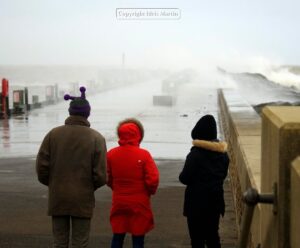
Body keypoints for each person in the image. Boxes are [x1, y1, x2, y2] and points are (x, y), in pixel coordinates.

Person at [36, 86, 107, 248]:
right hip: (83, 198)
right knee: (80, 243)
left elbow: (41, 167)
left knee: (59, 243)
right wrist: (88, 186)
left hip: (58, 195)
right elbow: (101, 175)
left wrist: (54, 183)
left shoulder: (53, 134)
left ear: (70, 112)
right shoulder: (96, 138)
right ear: (87, 113)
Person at [107, 118, 159, 248]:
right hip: (139, 202)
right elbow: (153, 179)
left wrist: (116, 187)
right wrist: (149, 191)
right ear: (138, 135)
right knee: (138, 237)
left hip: (119, 200)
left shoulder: (111, 154)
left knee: (118, 235)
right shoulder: (144, 155)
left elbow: (107, 177)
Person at [179, 114, 229, 248]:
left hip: (196, 204)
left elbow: (184, 178)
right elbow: (223, 175)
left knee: (197, 239)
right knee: (213, 236)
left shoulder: (195, 155)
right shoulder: (223, 154)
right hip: (215, 202)